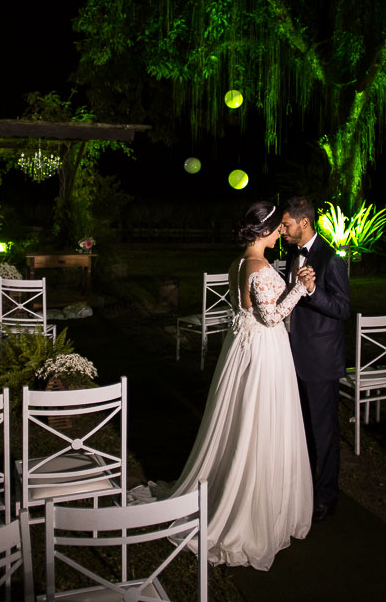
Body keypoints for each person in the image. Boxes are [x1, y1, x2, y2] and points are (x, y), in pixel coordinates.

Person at [130, 200, 313, 570]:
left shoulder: (239, 263)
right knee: (259, 423)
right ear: (264, 231)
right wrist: (301, 289)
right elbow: (271, 314)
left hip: (243, 349)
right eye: (278, 227)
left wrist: (290, 285)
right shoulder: (259, 266)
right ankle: (249, 509)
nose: (282, 231)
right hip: (262, 351)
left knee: (242, 420)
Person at [279, 195, 351, 522]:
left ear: (304, 222)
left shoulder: (331, 259)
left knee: (324, 431)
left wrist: (312, 292)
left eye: (286, 225)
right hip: (294, 354)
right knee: (303, 428)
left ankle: (327, 496)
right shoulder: (292, 254)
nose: (282, 230)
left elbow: (342, 308)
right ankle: (304, 488)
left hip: (321, 359)